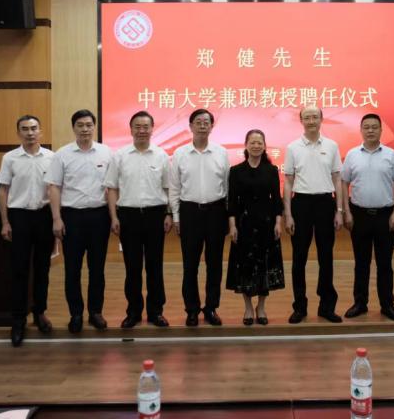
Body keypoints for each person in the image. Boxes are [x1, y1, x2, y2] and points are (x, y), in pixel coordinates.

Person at [45, 109, 113, 333]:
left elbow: (113, 187)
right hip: (71, 217)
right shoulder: (62, 155)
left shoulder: (106, 153)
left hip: (99, 216)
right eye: (80, 125)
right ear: (73, 128)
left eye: (89, 125)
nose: (85, 129)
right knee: (72, 269)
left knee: (97, 269)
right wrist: (56, 218)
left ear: (94, 127)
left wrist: (113, 216)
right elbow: (54, 187)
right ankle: (75, 314)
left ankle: (95, 312)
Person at [105, 111, 172, 329]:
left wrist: (169, 214)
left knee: (155, 266)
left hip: (155, 215)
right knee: (132, 267)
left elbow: (168, 188)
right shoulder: (120, 156)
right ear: (131, 129)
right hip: (128, 216)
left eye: (146, 127)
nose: (142, 130)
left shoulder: (162, 155)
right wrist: (114, 217)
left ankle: (155, 312)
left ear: (152, 129)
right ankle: (133, 312)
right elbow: (112, 188)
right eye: (137, 126)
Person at [341, 113, 394, 322]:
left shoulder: (391, 154)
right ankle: (360, 303)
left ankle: (387, 305)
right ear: (361, 130)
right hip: (359, 215)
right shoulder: (352, 154)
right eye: (366, 127)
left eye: (374, 127)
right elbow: (343, 183)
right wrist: (346, 211)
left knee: (385, 264)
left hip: (385, 216)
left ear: (381, 130)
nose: (370, 130)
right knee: (361, 263)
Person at [0, 115, 55, 346]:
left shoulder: (52, 157)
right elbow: (3, 191)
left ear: (40, 131)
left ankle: (39, 312)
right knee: (19, 270)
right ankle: (18, 319)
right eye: (25, 129)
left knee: (42, 268)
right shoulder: (10, 158)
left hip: (44, 216)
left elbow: (55, 189)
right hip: (18, 217)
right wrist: (5, 222)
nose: (30, 133)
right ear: (18, 132)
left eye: (33, 128)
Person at [169, 109, 230, 327]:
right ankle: (192, 309)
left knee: (215, 264)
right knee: (190, 265)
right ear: (191, 126)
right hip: (190, 213)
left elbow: (227, 186)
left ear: (212, 126)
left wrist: (228, 216)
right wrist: (176, 217)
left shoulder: (221, 152)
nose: (202, 125)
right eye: (198, 122)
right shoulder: (180, 154)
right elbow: (174, 188)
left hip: (216, 212)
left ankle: (211, 308)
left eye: (206, 122)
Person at [284, 106, 344, 324]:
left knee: (325, 257)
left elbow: (337, 179)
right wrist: (288, 214)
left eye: (315, 117)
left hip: (325, 204)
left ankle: (326, 306)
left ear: (321, 119)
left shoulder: (331, 145)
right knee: (299, 258)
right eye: (307, 117)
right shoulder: (293, 147)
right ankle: (299, 306)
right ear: (301, 121)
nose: (311, 121)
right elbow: (288, 181)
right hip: (301, 204)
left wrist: (339, 210)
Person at [226, 129, 285, 325]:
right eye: (252, 142)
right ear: (246, 145)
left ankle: (261, 307)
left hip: (266, 224)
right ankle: (248, 308)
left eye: (260, 142)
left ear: (265, 146)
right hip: (244, 225)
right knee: (245, 266)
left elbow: (276, 200)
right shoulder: (236, 171)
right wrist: (232, 226)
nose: (256, 146)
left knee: (264, 266)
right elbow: (232, 202)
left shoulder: (271, 170)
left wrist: (278, 222)